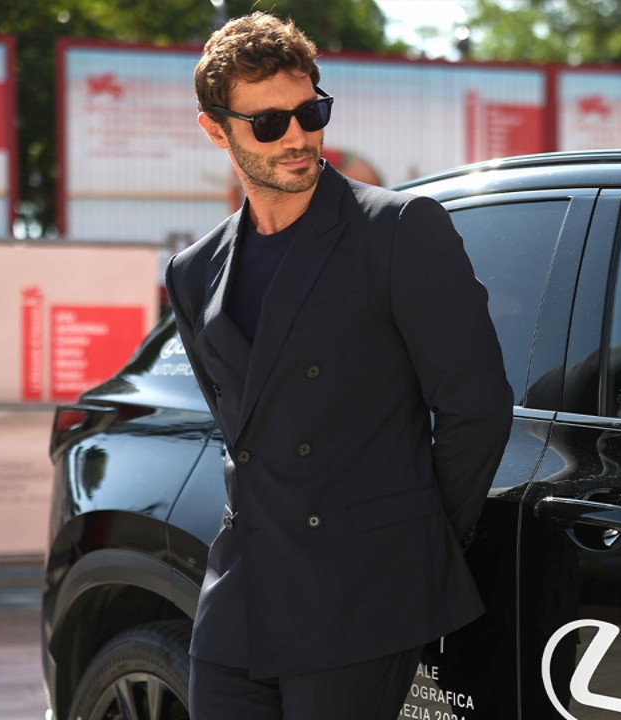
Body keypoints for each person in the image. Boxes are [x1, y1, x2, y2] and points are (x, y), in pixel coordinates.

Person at [163, 12, 513, 719]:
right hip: (241, 593)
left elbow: (477, 408)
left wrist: (411, 548)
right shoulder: (193, 271)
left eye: (310, 112)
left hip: (361, 593)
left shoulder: (397, 231)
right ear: (216, 129)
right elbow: (242, 430)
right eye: (268, 124)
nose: (297, 136)